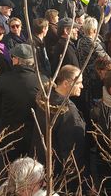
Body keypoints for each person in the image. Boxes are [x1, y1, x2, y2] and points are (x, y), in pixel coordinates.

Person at [32, 65, 87, 193]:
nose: (82, 86)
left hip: (43, 165)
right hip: (60, 174)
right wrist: (77, 180)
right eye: (79, 82)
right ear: (66, 83)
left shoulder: (46, 99)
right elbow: (72, 150)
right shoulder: (67, 112)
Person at [0, 44, 43, 161]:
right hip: (33, 133)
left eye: (13, 57)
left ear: (17, 60)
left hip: (9, 133)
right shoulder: (42, 81)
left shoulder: (4, 79)